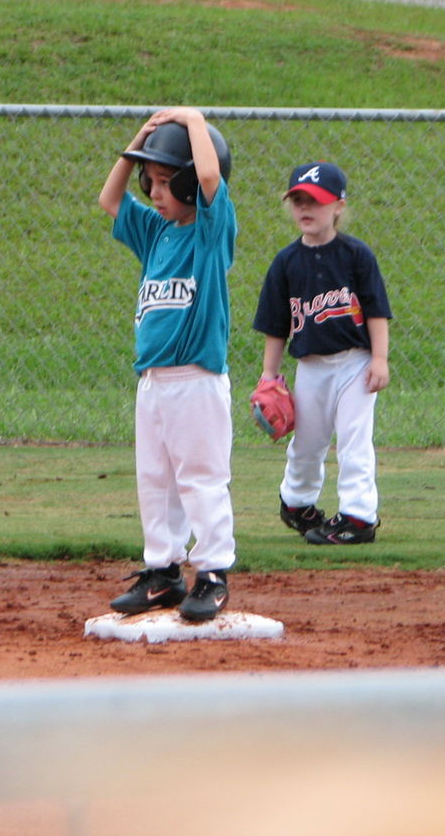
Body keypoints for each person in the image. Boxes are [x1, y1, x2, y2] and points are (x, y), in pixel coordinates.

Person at [97, 107, 237, 623]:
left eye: (162, 182)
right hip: (152, 381)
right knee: (155, 479)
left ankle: (215, 573)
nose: (153, 193)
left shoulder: (209, 231)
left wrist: (194, 121)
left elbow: (207, 177)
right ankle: (163, 572)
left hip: (196, 378)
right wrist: (140, 140)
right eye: (149, 181)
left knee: (200, 478)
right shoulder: (156, 233)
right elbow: (109, 200)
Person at [253, 161, 392, 544]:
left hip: (355, 363)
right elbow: (275, 325)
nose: (305, 208)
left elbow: (377, 311)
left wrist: (380, 359)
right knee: (308, 442)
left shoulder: (356, 255)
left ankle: (358, 518)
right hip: (310, 367)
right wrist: (269, 376)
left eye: (315, 201)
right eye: (298, 200)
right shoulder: (285, 262)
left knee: (353, 440)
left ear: (339, 207)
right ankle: (297, 504)